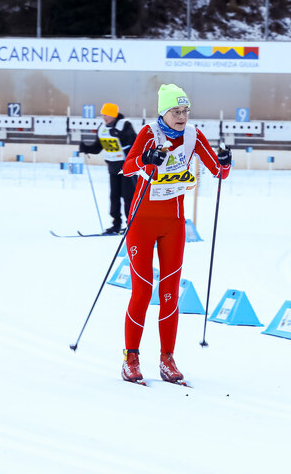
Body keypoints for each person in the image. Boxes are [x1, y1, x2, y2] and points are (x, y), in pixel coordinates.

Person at [120, 83, 232, 384]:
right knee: (143, 291)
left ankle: (167, 358)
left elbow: (218, 172)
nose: (182, 117)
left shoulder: (193, 135)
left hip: (173, 223)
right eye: (175, 111)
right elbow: (128, 167)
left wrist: (225, 162)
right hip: (142, 222)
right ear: (163, 112)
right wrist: (146, 160)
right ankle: (131, 358)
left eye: (185, 111)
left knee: (170, 293)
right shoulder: (148, 134)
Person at [79, 103, 137, 234]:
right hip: (113, 167)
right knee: (114, 197)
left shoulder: (124, 125)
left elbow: (134, 142)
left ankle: (131, 224)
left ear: (113, 115)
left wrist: (119, 135)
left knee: (128, 197)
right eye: (103, 115)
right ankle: (116, 225)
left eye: (106, 115)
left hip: (127, 167)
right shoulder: (102, 128)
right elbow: (98, 147)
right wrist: (86, 148)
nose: (103, 117)